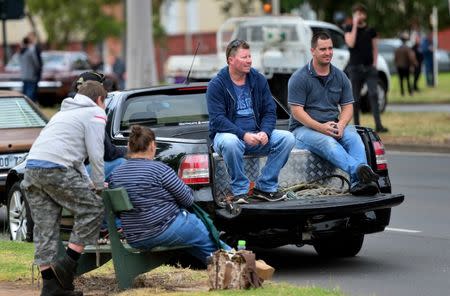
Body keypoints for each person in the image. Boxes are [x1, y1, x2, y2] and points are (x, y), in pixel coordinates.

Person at [21, 81, 108, 295]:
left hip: (32, 169)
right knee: (93, 209)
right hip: (55, 169)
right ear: (99, 100)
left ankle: (51, 286)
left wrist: (88, 183)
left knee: (45, 228)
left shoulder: (62, 114)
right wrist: (98, 186)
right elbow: (96, 154)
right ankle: (67, 265)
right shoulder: (95, 113)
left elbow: (76, 158)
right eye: (104, 103)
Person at [107, 125, 230, 265]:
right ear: (153, 145)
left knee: (196, 236)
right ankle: (237, 264)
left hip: (135, 237)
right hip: (161, 230)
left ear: (129, 145)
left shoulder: (116, 174)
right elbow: (188, 200)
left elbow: (118, 212)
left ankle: (226, 265)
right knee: (200, 229)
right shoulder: (160, 169)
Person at [288, 31, 380, 196]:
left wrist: (342, 125)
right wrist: (321, 128)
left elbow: (347, 107)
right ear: (313, 51)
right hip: (303, 130)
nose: (328, 52)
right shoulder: (299, 78)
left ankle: (359, 184)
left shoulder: (340, 76)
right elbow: (297, 112)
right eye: (323, 49)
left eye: (330, 48)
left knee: (355, 139)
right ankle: (361, 173)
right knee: (329, 143)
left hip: (333, 124)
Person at [206, 39, 295, 203]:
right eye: (244, 57)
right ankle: (240, 190)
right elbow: (217, 120)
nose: (249, 60)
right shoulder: (217, 85)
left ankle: (265, 187)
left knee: (287, 138)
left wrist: (265, 132)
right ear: (231, 60)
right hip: (229, 136)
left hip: (256, 135)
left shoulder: (258, 79)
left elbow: (270, 111)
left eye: (249, 56)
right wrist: (243, 135)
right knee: (230, 141)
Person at [344, 3, 388, 133]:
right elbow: (350, 43)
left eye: (361, 13)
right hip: (355, 68)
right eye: (357, 13)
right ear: (353, 15)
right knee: (355, 99)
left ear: (365, 15)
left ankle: (378, 125)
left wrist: (374, 64)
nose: (359, 15)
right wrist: (355, 26)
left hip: (369, 68)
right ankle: (357, 126)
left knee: (373, 94)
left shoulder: (371, 30)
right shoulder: (349, 28)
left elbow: (375, 48)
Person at [19, 36, 40, 102]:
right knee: (30, 95)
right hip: (31, 76)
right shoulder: (30, 51)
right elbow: (36, 63)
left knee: (25, 94)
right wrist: (37, 70)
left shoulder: (21, 52)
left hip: (24, 76)